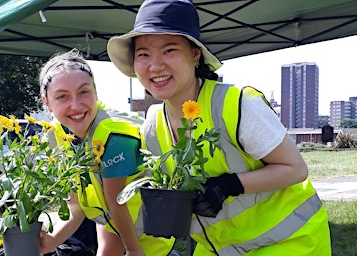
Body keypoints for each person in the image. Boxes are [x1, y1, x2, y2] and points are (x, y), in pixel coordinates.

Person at [107, 0, 332, 255]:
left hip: (288, 241)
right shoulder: (152, 124)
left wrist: (230, 185)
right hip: (218, 248)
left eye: (169, 50)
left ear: (195, 56)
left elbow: (295, 169)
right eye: (143, 54)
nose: (155, 65)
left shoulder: (236, 104)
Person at [37, 49, 176, 256]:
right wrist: (49, 243)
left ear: (95, 92)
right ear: (46, 102)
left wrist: (133, 251)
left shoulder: (112, 136)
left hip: (148, 231)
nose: (75, 105)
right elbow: (76, 206)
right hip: (112, 222)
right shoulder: (58, 135)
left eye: (84, 92)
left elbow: (116, 203)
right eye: (62, 96)